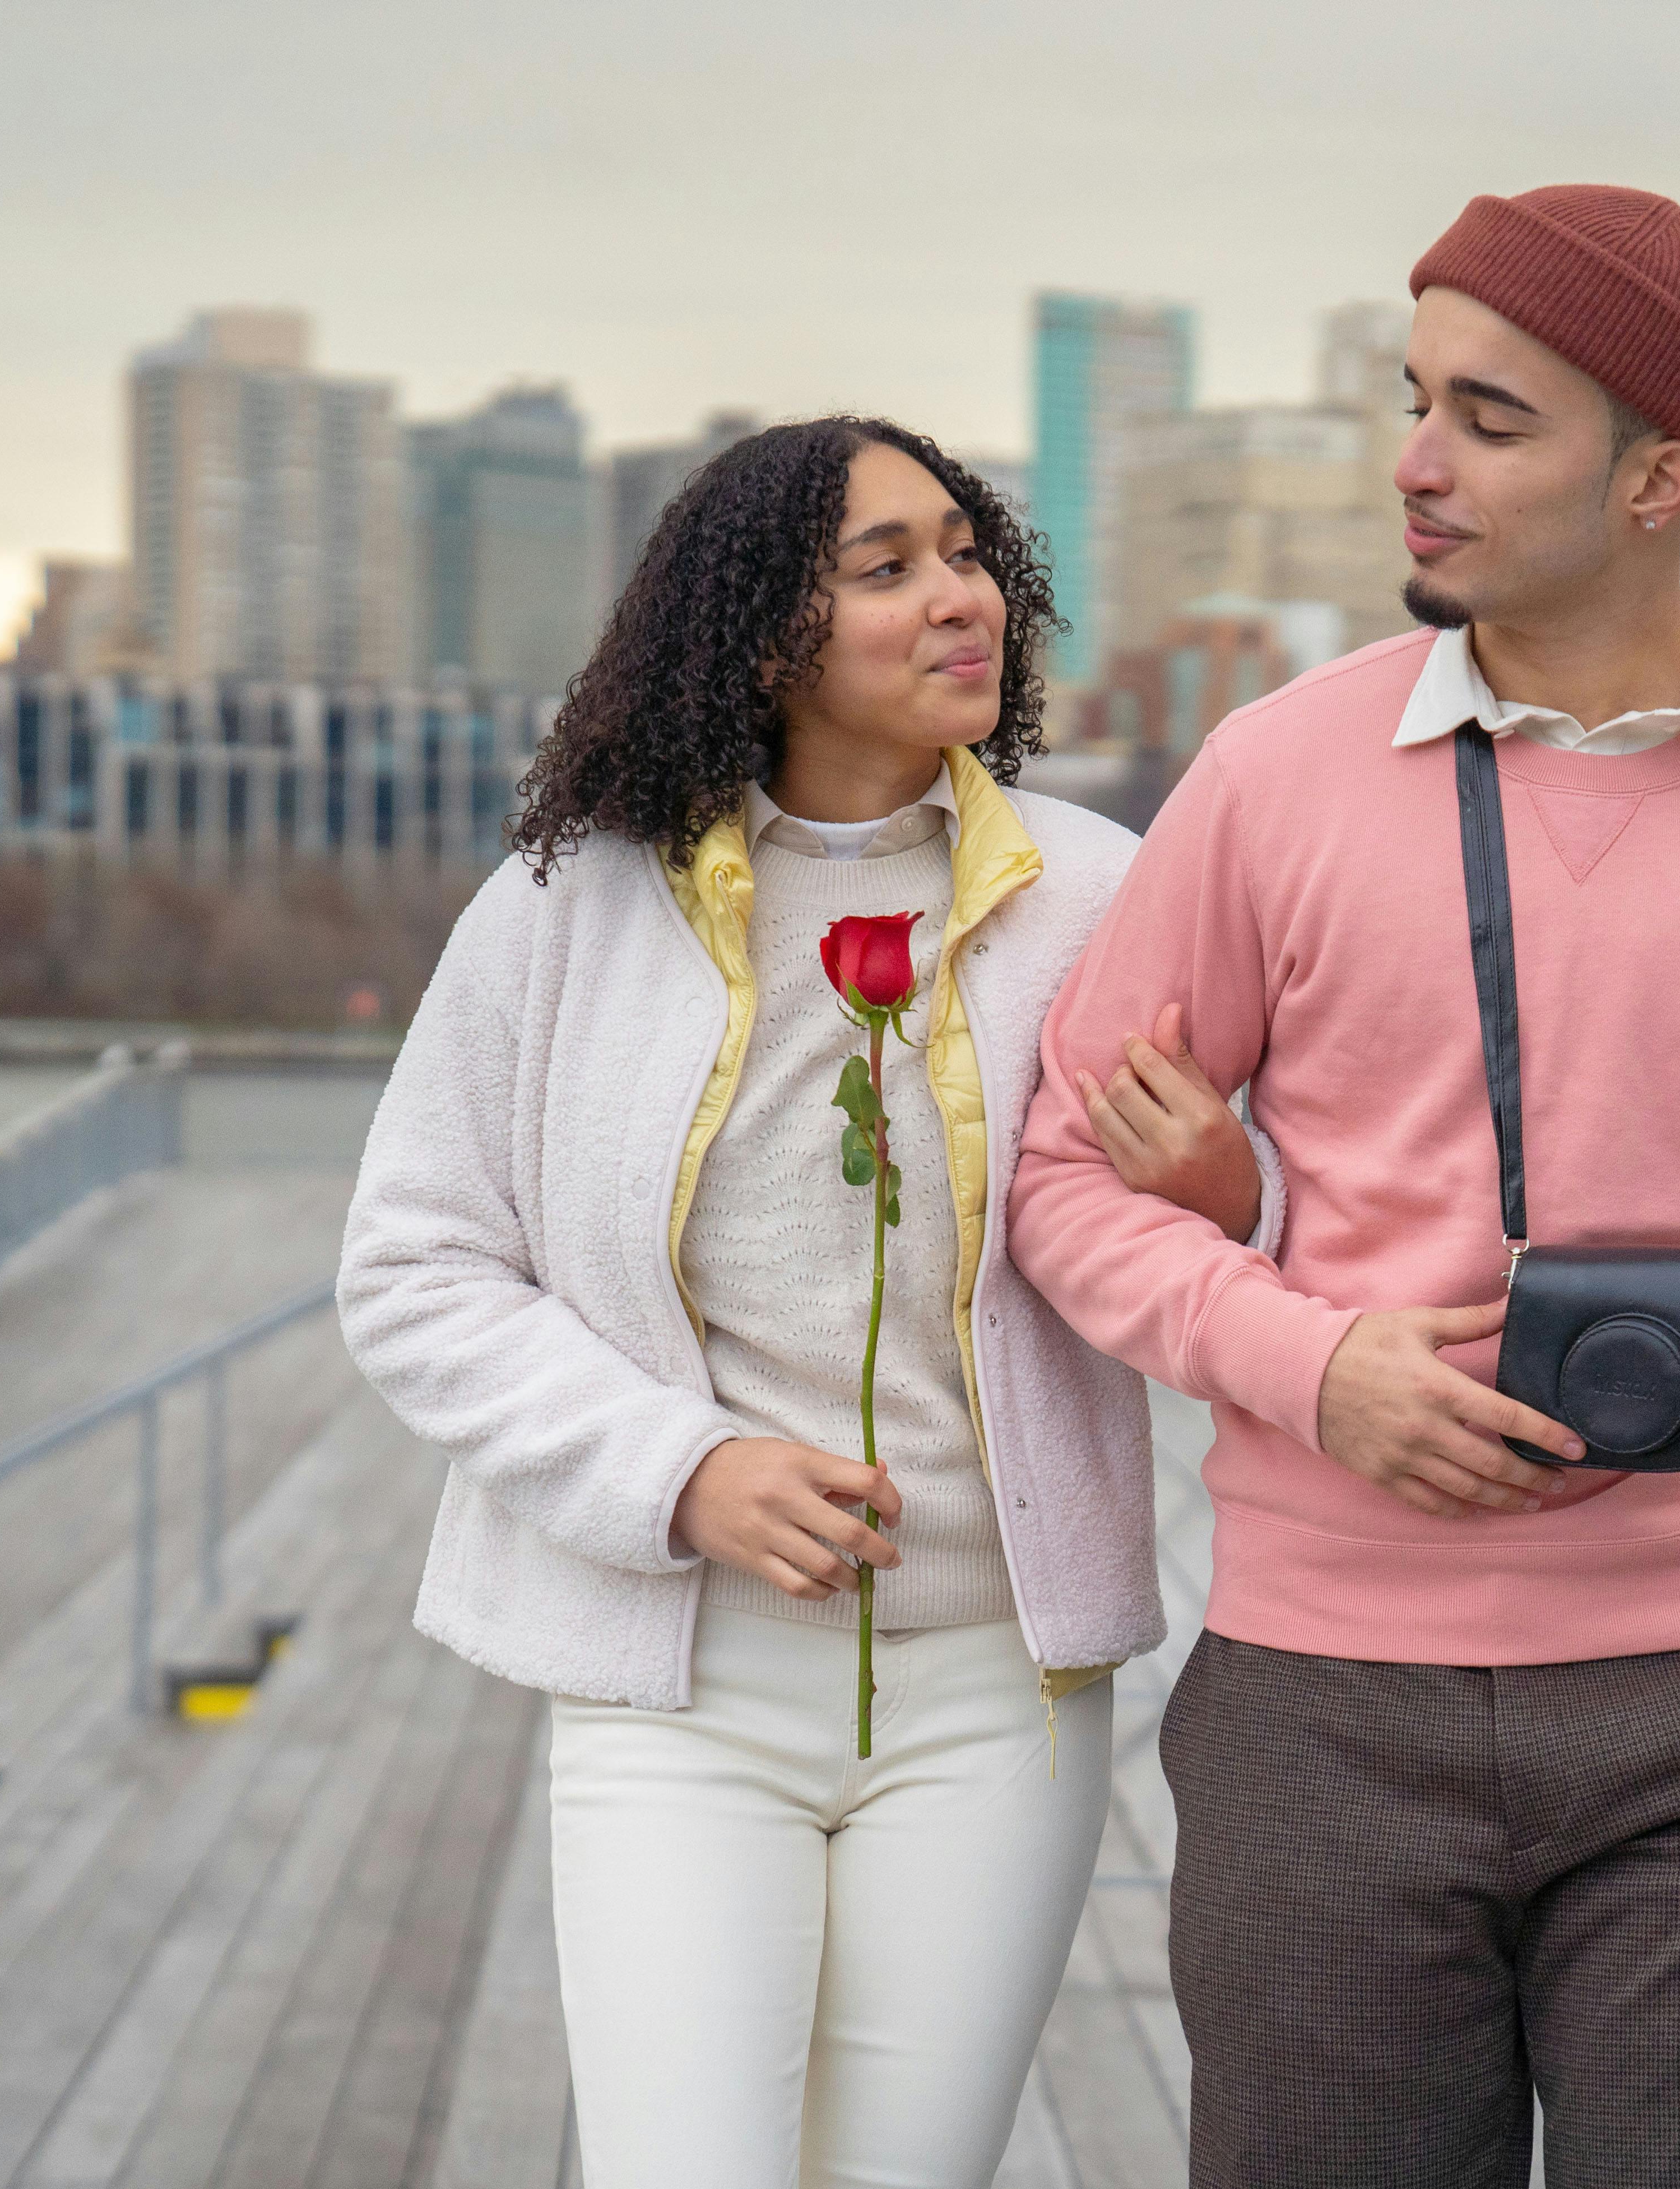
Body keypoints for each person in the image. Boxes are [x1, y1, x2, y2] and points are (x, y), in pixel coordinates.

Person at [1008, 187, 1680, 2188]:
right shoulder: (1269, 777)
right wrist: (1315, 1368)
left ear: (1662, 475)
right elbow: (1068, 1174)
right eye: (1413, 401)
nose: (1412, 463)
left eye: (1488, 420)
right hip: (1323, 1710)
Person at [337, 416, 1271, 2188]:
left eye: (967, 550)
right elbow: (415, 1264)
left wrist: (1235, 1190)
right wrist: (681, 1470)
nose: (960, 597)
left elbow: (1279, 1208)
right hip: (678, 1685)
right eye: (888, 566)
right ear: (761, 632)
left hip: (1006, 1694)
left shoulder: (1101, 895)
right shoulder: (567, 904)